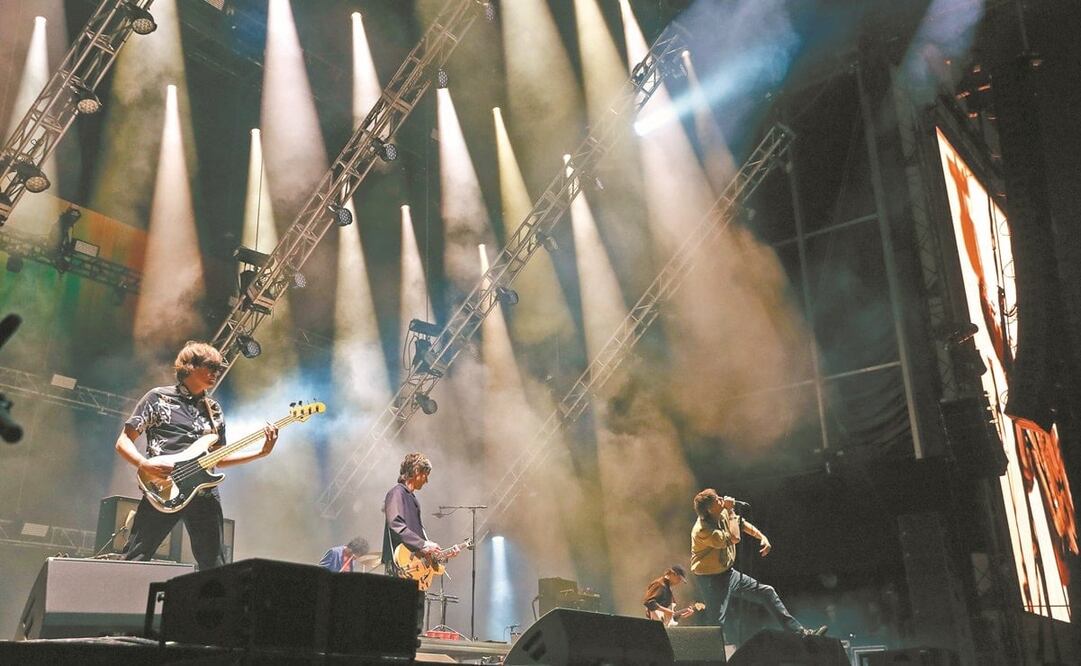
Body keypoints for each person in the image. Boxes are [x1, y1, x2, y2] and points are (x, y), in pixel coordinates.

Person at [115, 341, 278, 569]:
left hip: (203, 493)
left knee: (214, 565)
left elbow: (218, 458)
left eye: (219, 367)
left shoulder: (214, 410)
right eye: (210, 366)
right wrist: (143, 464)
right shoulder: (158, 398)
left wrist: (260, 453)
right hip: (164, 487)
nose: (216, 372)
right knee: (136, 557)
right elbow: (124, 440)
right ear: (189, 367)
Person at [690, 488, 825, 637]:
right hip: (711, 579)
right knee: (717, 622)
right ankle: (709, 657)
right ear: (709, 509)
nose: (722, 499)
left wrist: (761, 536)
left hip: (728, 574)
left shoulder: (721, 512)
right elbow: (734, 538)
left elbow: (741, 524)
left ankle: (801, 634)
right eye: (717, 500)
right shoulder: (703, 530)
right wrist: (731, 512)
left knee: (766, 592)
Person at [381, 453, 459, 574]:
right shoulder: (396, 493)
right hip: (400, 568)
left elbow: (420, 542)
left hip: (413, 570)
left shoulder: (412, 499)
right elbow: (396, 525)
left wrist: (444, 554)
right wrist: (423, 544)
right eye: (425, 475)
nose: (426, 481)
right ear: (416, 471)